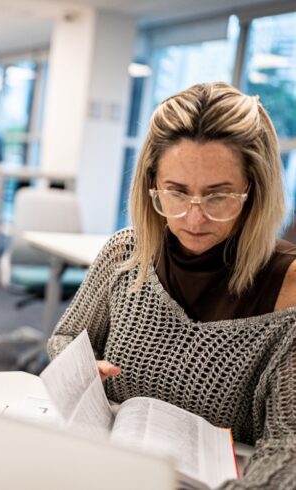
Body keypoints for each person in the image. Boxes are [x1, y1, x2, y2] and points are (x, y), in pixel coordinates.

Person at [47, 82, 296, 487]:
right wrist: (76, 369)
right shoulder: (126, 254)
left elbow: (289, 446)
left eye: (218, 196)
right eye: (176, 192)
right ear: (153, 183)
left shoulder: (288, 290)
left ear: (254, 192)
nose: (193, 220)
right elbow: (67, 336)